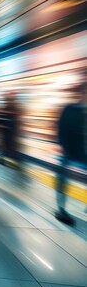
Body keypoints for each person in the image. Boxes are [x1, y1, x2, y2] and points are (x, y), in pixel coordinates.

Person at [55, 83, 86, 225]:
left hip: (82, 154)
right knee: (62, 179)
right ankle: (61, 209)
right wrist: (62, 146)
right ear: (81, 93)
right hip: (69, 152)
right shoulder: (69, 109)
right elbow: (61, 127)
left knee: (62, 178)